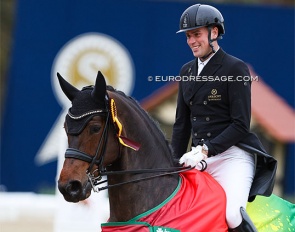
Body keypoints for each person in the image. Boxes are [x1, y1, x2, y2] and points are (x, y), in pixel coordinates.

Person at [171, 4, 277, 232]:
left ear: (214, 33)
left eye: (197, 34)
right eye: (188, 36)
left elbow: (240, 124)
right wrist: (171, 163)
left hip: (233, 157)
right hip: (198, 158)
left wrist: (206, 149)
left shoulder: (235, 68)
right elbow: (181, 125)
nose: (191, 41)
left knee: (231, 214)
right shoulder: (186, 72)